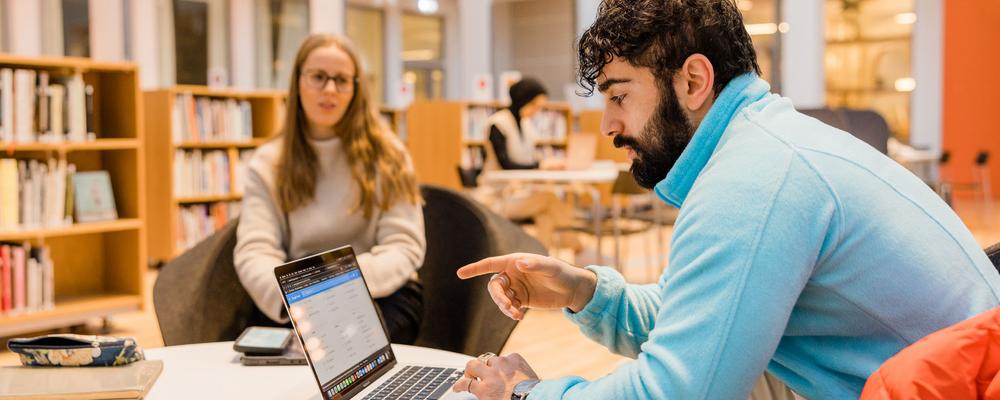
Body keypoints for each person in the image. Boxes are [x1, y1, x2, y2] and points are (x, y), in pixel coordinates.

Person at [452, 1, 1000, 399]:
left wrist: (525, 395)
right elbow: (697, 317)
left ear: (693, 81)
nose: (609, 124)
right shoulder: (767, 144)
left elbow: (678, 393)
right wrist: (583, 291)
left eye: (620, 95)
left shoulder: (752, 181)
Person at [234, 33, 426, 344]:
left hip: (378, 293)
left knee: (349, 350)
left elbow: (403, 248)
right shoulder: (268, 162)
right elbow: (255, 251)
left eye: (341, 80)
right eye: (318, 77)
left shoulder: (389, 155)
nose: (330, 90)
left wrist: (334, 285)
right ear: (298, 82)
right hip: (294, 301)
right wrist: (302, 295)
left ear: (355, 89)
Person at [476, 78, 578, 250]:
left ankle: (540, 259)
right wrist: (540, 166)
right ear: (524, 101)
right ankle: (578, 248)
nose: (537, 111)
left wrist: (546, 164)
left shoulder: (527, 125)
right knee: (549, 199)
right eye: (536, 106)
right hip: (496, 197)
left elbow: (531, 159)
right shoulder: (497, 124)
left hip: (518, 194)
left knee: (545, 214)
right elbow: (506, 164)